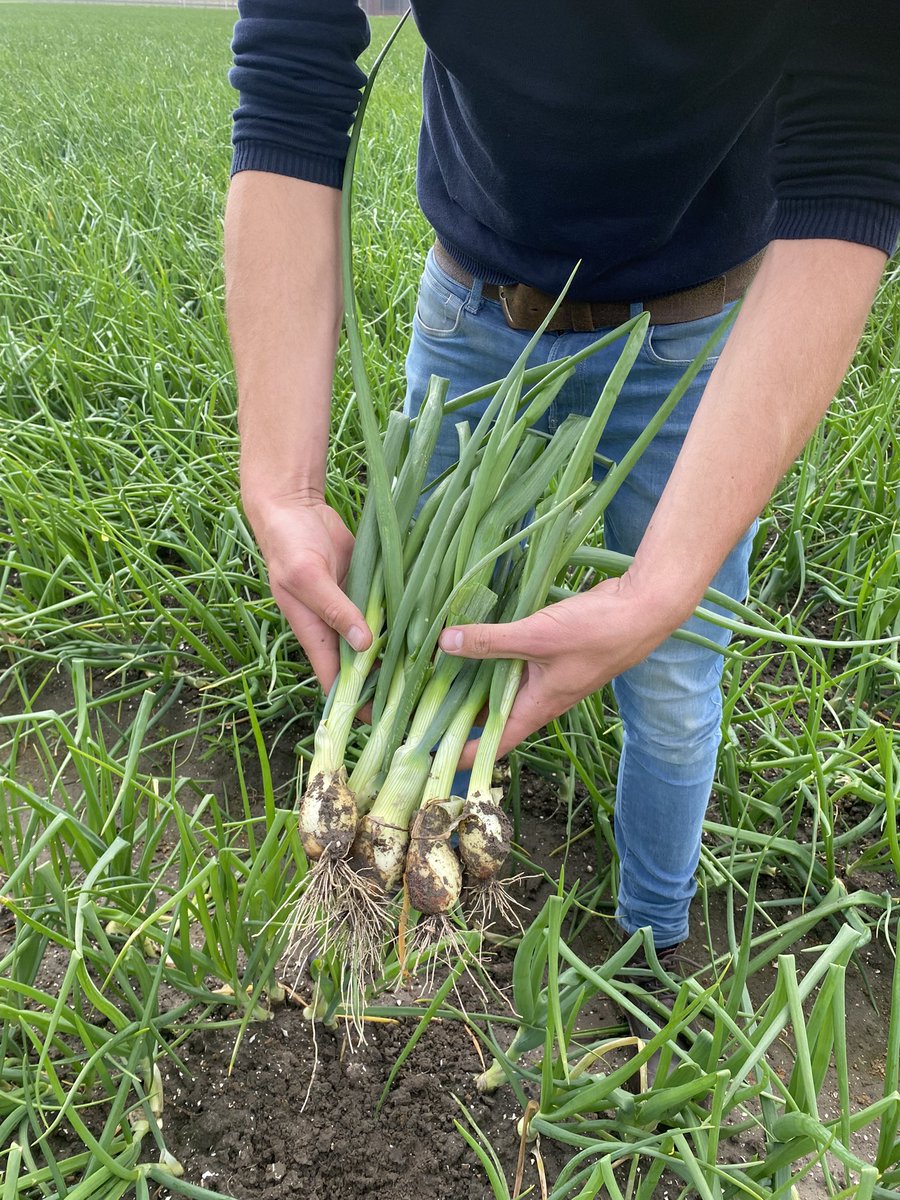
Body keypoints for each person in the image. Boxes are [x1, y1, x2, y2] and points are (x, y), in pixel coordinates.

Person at [224, 0, 899, 1058]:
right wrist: (281, 481)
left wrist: (664, 581)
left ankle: (647, 951)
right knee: (416, 631)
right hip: (472, 310)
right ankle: (401, 917)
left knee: (672, 679)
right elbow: (290, 58)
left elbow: (854, 157)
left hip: (691, 339)